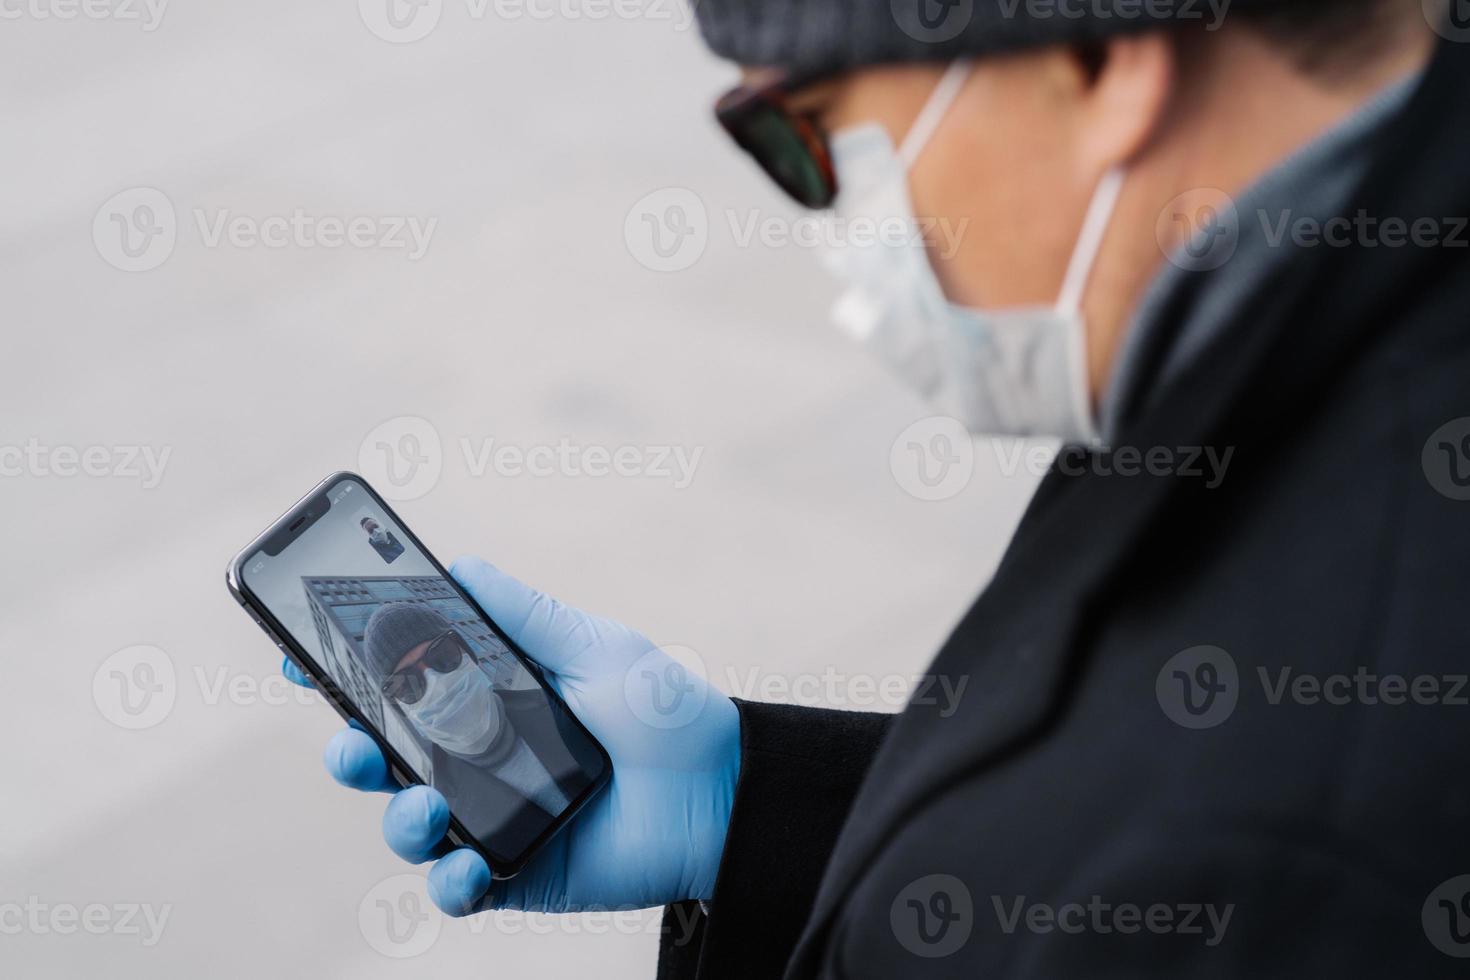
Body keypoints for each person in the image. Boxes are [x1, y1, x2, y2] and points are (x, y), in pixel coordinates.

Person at [283, 0, 1470, 974]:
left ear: (1098, 63)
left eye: (808, 135)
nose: (841, 225)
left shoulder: (1273, 844)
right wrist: (754, 810)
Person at [359, 603, 598, 859]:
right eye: (407, 685)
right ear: (403, 710)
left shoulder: (563, 705)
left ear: (468, 652)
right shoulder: (444, 811)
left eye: (442, 655)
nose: (436, 684)